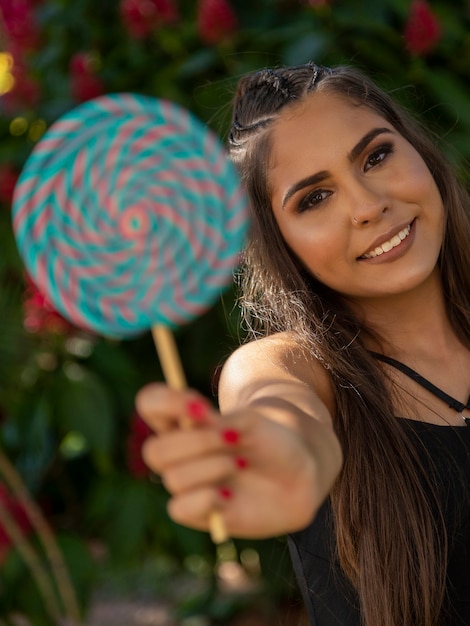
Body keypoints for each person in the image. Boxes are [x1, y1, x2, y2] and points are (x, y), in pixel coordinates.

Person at [136, 63, 470, 626]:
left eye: (376, 156)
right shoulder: (291, 366)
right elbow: (275, 408)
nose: (367, 205)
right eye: (314, 199)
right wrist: (280, 452)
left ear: (417, 148)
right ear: (278, 241)